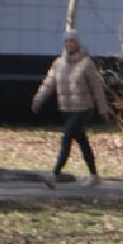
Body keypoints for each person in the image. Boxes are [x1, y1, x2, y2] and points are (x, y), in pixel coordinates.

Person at [31, 29, 111, 185]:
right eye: (67, 41)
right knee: (82, 140)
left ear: (77, 43)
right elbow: (48, 84)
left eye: (72, 41)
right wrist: (38, 99)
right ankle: (94, 175)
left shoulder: (86, 63)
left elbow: (96, 87)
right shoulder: (58, 63)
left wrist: (103, 109)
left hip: (83, 108)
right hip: (66, 108)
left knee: (67, 137)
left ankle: (55, 172)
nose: (69, 44)